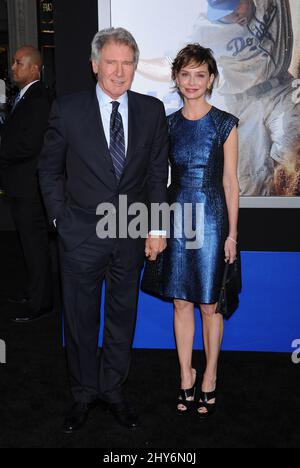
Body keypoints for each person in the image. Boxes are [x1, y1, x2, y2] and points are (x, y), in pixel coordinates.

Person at [38, 27, 168, 432]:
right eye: (111, 62)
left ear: (134, 68)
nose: (119, 71)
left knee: (121, 316)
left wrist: (156, 228)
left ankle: (113, 390)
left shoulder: (150, 111)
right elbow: (49, 168)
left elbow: (155, 177)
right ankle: (83, 395)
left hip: (130, 234)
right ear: (95, 65)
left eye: (127, 63)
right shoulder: (68, 108)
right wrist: (60, 219)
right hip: (80, 236)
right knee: (79, 320)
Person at [138, 0, 300, 196]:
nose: (231, 16)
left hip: (282, 88)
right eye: (224, 13)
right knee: (251, 186)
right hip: (243, 104)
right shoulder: (205, 30)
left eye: (235, 7)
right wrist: (132, 63)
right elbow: (169, 66)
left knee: (291, 153)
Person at [160, 44, 239, 417]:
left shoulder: (225, 123)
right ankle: (185, 374)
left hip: (211, 217)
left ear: (211, 79)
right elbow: (159, 180)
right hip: (177, 215)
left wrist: (232, 234)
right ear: (176, 78)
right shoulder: (168, 124)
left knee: (210, 303)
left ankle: (209, 375)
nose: (192, 82)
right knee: (181, 301)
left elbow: (230, 184)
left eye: (200, 75)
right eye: (186, 74)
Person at [0, 46, 53, 322]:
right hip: (21, 184)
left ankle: (40, 302)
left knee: (34, 244)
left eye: (18, 63)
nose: (13, 67)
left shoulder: (38, 99)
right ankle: (33, 292)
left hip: (30, 187)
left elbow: (29, 144)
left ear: (34, 68)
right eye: (13, 63)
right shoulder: (24, 96)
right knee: (26, 244)